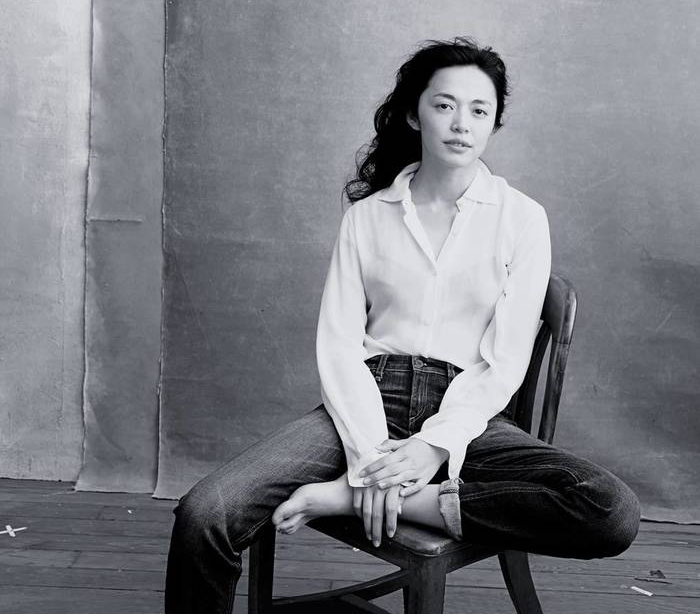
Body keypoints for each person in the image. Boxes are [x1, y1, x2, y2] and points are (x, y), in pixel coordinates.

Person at [164, 38, 641, 614]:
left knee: (610, 509)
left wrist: (432, 448)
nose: (461, 124)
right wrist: (372, 461)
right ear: (415, 115)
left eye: (479, 110)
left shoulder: (522, 219)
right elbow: (339, 347)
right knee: (205, 515)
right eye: (444, 105)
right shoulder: (368, 218)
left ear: (494, 123)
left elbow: (506, 360)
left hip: (469, 413)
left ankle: (343, 498)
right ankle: (369, 487)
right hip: (368, 398)